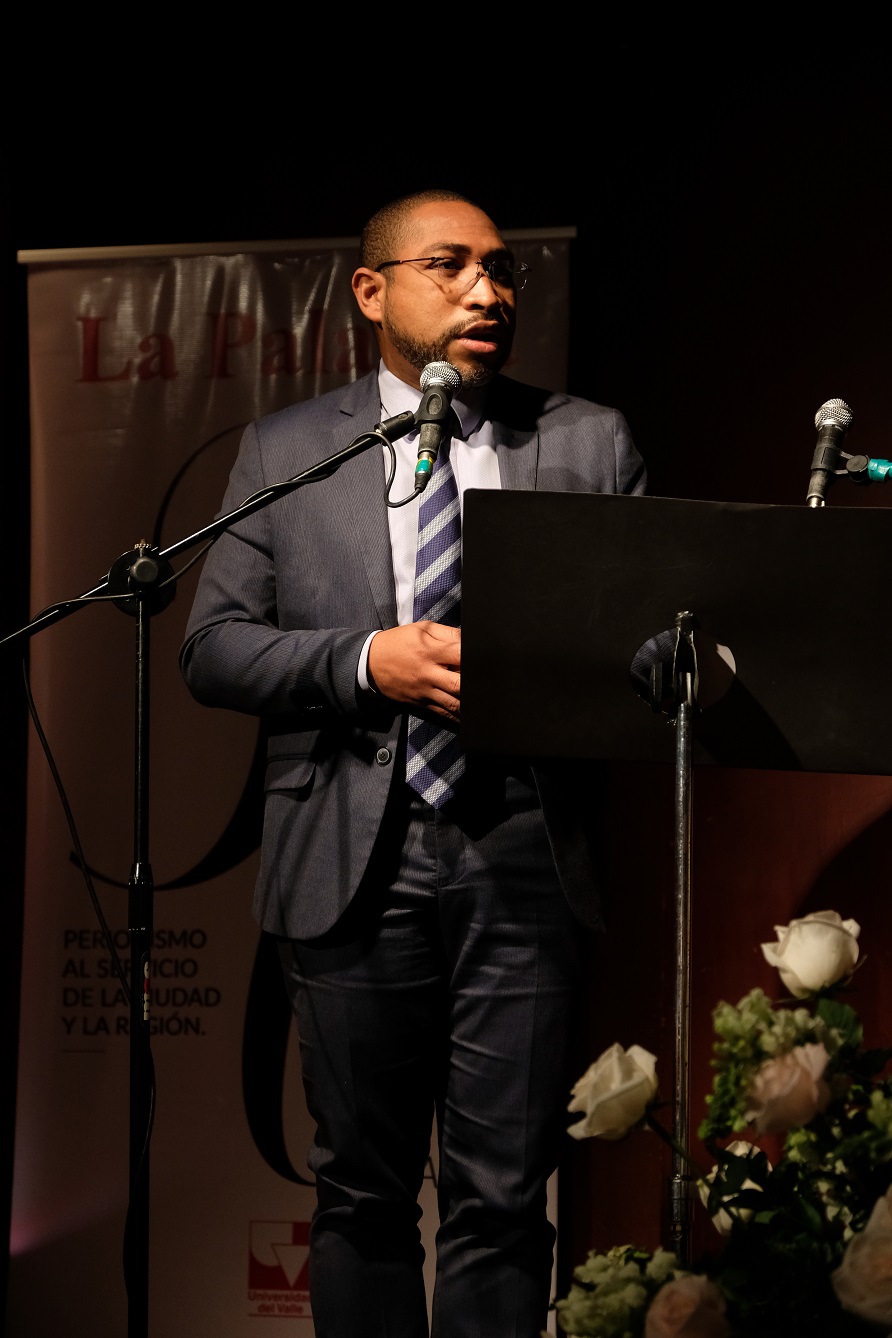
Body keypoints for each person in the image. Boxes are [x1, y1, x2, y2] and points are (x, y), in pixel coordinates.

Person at [179, 188, 646, 1338]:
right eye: (452, 265)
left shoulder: (584, 440)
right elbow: (213, 645)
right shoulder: (286, 450)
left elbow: (643, 640)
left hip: (522, 854)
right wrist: (364, 662)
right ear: (373, 290)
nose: (488, 292)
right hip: (346, 855)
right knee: (361, 1196)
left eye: (501, 271)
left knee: (502, 1198)